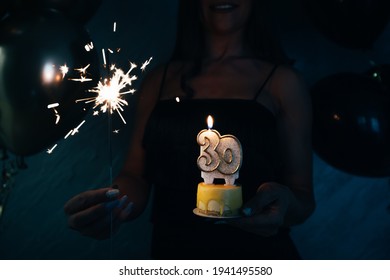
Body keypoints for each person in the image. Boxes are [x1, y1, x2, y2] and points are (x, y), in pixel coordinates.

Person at [64, 0, 315, 259]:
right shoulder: (158, 81)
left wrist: (283, 204)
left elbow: (303, 197)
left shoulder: (284, 83)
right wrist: (112, 205)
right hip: (173, 253)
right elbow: (134, 175)